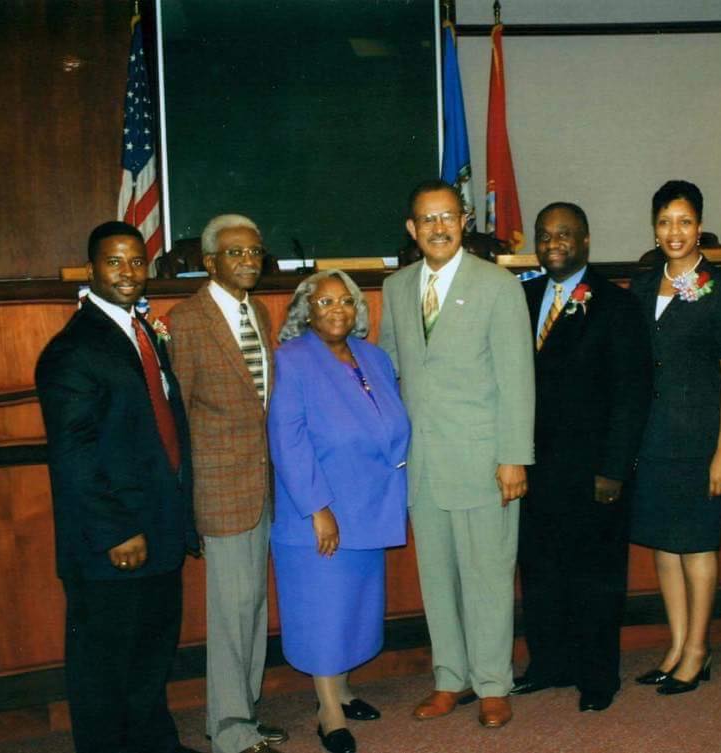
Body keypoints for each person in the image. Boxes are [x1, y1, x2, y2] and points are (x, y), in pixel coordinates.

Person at [35, 221, 200, 753]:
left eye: (136, 261)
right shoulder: (74, 349)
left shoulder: (142, 331)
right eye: (114, 262)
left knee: (150, 656)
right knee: (104, 670)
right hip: (114, 542)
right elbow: (74, 455)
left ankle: (157, 745)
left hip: (158, 527)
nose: (128, 272)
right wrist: (116, 531)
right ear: (91, 270)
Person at [377, 180, 535, 729]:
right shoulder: (397, 288)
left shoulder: (498, 285)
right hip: (421, 464)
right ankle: (451, 678)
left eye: (448, 217)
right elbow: (390, 371)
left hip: (484, 460)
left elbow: (517, 378)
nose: (439, 227)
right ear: (412, 229)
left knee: (488, 576)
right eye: (427, 219)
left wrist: (514, 457)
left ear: (464, 221)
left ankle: (492, 683)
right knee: (437, 579)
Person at [512, 202, 651, 712]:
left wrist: (614, 469)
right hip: (533, 467)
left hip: (594, 472)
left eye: (564, 234)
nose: (553, 243)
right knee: (541, 571)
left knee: (596, 576)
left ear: (586, 240)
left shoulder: (616, 304)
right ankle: (549, 664)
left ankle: (597, 676)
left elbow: (633, 393)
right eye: (545, 235)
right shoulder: (521, 298)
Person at [267, 270, 410, 753]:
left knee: (353, 607)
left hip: (368, 505)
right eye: (324, 302)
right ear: (305, 310)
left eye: (345, 301)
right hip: (319, 509)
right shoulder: (292, 360)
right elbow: (288, 440)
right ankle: (328, 712)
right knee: (324, 611)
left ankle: (343, 691)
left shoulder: (374, 357)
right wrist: (317, 508)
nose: (336, 310)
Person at [167, 215, 287, 753]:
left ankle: (244, 715)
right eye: (235, 253)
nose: (248, 261)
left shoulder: (257, 312)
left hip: (260, 485)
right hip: (218, 489)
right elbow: (178, 418)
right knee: (231, 613)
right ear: (210, 261)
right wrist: (186, 497)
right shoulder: (187, 320)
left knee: (253, 608)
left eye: (255, 252)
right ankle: (230, 731)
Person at [629, 181, 721, 695]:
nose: (673, 232)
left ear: (699, 227)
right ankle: (677, 645)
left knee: (696, 544)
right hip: (651, 438)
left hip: (699, 439)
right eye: (664, 222)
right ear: (654, 228)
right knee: (664, 544)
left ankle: (699, 650)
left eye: (683, 221)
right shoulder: (640, 287)